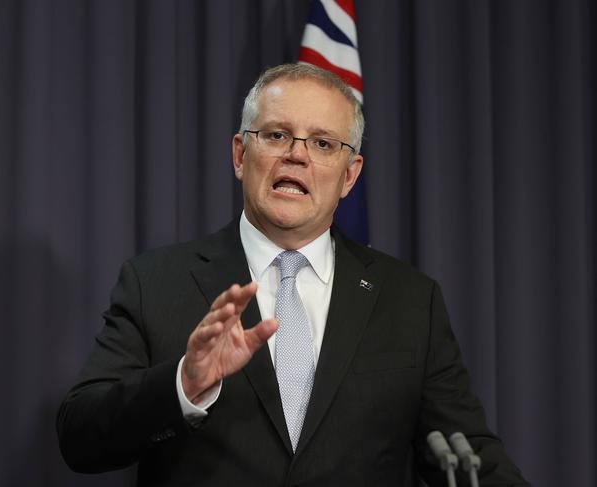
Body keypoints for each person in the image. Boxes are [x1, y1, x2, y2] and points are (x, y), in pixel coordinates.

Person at [57, 63, 530, 486]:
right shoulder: (156, 281)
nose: (297, 156)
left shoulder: (409, 300)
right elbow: (81, 437)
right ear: (241, 155)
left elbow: (468, 456)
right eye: (277, 135)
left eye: (323, 143)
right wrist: (184, 383)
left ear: (349, 176)